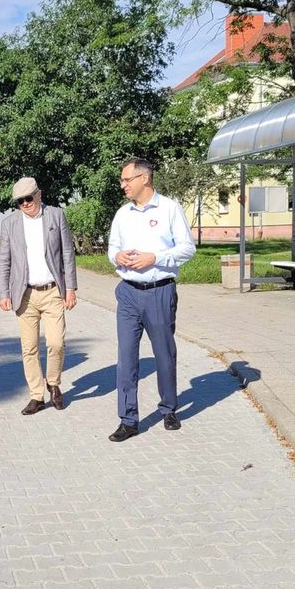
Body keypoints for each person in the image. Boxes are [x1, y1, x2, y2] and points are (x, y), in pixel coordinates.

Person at [106, 157, 196, 442]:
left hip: (159, 291)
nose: (123, 185)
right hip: (129, 293)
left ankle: (168, 409)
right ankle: (128, 419)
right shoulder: (123, 214)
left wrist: (155, 257)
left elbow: (187, 248)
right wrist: (116, 257)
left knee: (164, 355)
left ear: (144, 178)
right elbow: (112, 249)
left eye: (127, 180)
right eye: (122, 181)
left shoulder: (170, 209)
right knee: (126, 358)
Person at [0, 177, 78, 415]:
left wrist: (70, 288)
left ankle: (53, 382)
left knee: (56, 343)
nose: (25, 204)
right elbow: (4, 259)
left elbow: (67, 253)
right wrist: (3, 292)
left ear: (38, 194)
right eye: (20, 201)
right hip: (25, 294)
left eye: (28, 198)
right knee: (29, 348)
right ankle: (36, 396)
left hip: (52, 291)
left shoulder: (55, 215)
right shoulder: (10, 223)